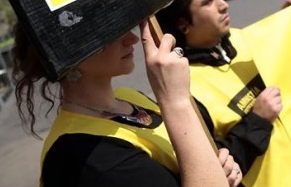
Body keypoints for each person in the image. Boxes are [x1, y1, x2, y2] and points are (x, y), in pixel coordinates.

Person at [13, 20, 238, 186]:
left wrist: (217, 170)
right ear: (68, 54)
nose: (131, 38)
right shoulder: (81, 154)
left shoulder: (128, 96)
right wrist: (175, 101)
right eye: (109, 32)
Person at [156, 0, 291, 186]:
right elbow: (216, 172)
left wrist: (281, 31)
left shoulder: (241, 38)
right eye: (209, 1)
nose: (223, 4)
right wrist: (258, 121)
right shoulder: (187, 89)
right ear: (183, 24)